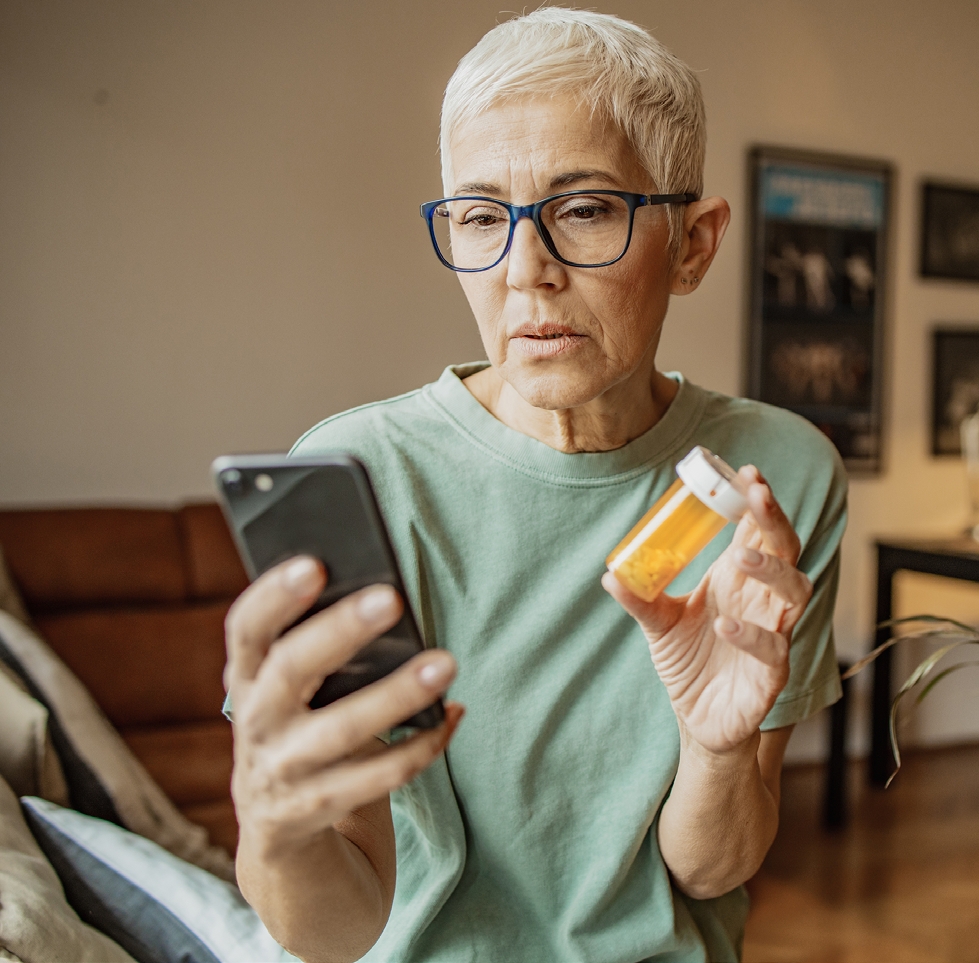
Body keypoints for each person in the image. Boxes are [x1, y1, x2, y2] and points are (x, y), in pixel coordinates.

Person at [222, 8, 847, 962]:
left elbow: (713, 869)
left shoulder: (779, 477)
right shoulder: (357, 475)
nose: (525, 273)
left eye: (584, 209)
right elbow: (339, 930)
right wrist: (271, 822)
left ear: (693, 243)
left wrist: (719, 746)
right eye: (479, 216)